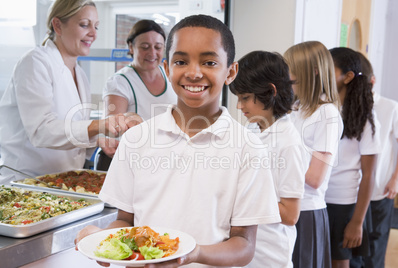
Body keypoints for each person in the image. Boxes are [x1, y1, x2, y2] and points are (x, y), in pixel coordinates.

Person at [75, 14, 281, 268]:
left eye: (209, 62)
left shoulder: (249, 148)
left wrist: (194, 254)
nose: (194, 73)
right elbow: (125, 222)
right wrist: (103, 239)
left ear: (231, 71)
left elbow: (244, 246)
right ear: (167, 67)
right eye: (181, 61)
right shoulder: (137, 139)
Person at [0, 0, 137, 176]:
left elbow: (73, 132)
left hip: (64, 181)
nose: (93, 34)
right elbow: (41, 131)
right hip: (25, 180)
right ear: (57, 25)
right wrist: (98, 126)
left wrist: (98, 139)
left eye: (96, 27)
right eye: (84, 25)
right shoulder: (35, 62)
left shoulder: (80, 75)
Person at [229, 50, 306, 268]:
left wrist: (244, 190)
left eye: (245, 98)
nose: (239, 106)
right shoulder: (253, 126)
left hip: (269, 254)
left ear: (270, 92)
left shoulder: (288, 142)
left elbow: (291, 214)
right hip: (245, 246)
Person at [283, 41, 344, 268]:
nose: (287, 77)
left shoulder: (327, 114)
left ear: (313, 72)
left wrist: (277, 162)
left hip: (307, 211)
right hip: (288, 206)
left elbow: (315, 179)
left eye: (291, 71)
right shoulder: (298, 109)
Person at [326, 47, 381, 268]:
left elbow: (369, 175)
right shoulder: (321, 108)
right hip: (316, 199)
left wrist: (357, 222)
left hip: (344, 204)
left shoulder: (365, 117)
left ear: (348, 77)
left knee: (340, 262)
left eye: (329, 69)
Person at [96, 19, 177, 170]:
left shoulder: (171, 76)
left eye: (158, 47)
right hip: (129, 161)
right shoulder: (119, 82)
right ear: (131, 47)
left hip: (163, 160)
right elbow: (113, 127)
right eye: (145, 47)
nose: (152, 53)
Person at [351, 52, 398, 268]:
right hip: (352, 192)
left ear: (373, 80)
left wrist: (396, 178)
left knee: (376, 248)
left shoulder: (390, 107)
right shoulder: (348, 107)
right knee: (354, 252)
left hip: (381, 189)